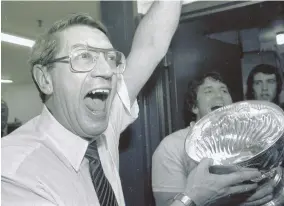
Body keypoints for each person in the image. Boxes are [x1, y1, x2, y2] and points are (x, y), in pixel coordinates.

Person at [1, 1, 184, 205]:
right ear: (45, 79)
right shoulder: (14, 173)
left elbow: (150, 46)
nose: (106, 71)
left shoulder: (102, 126)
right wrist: (189, 198)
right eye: (84, 56)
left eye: (110, 57)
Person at [152, 72, 274, 206]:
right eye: (208, 91)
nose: (219, 95)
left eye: (224, 90)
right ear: (194, 107)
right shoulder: (172, 146)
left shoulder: (249, 139)